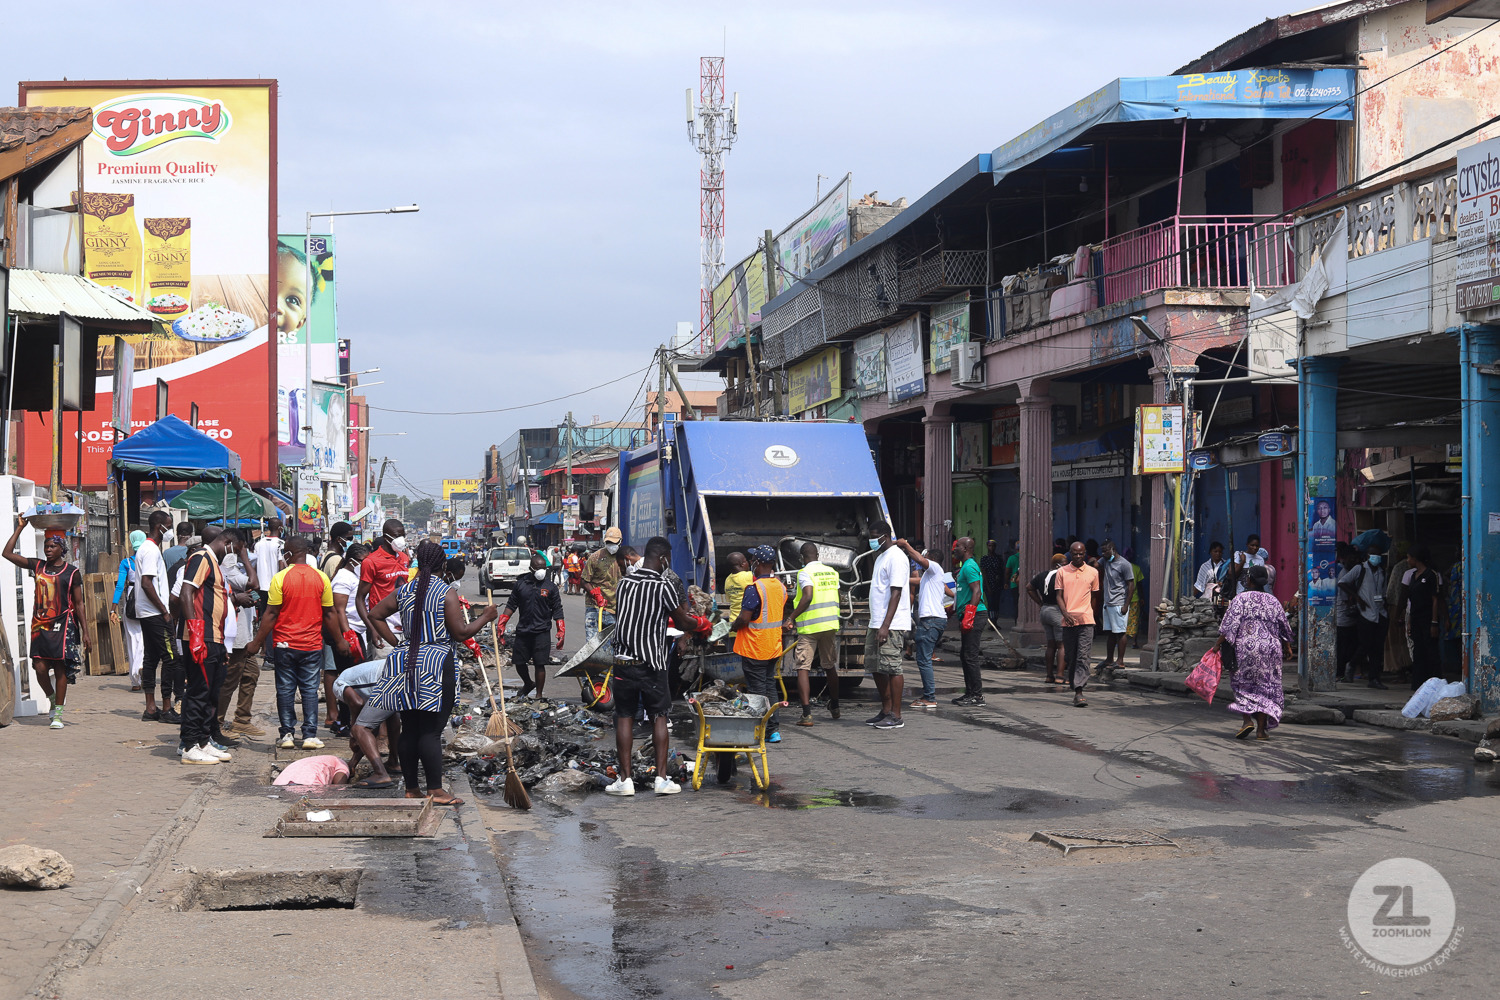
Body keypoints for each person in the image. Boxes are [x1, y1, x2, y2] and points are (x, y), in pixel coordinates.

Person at [366, 541, 497, 806]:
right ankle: (435, 790)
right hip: (437, 663)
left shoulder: (405, 590)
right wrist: (486, 616)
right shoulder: (445, 593)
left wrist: (398, 643)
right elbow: (461, 633)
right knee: (431, 730)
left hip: (405, 662)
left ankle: (412, 788)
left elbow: (375, 614)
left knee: (410, 727)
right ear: (444, 564)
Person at [604, 536, 711, 796]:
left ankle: (625, 780)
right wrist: (700, 624)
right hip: (652, 663)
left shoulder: (625, 583)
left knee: (625, 717)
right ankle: (661, 780)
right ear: (663, 558)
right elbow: (682, 621)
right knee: (659, 716)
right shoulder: (663, 586)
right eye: (668, 560)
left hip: (622, 662)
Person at [246, 534, 344, 750]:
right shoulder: (321, 578)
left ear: (289, 553)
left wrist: (256, 643)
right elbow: (329, 614)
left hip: (284, 644)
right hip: (311, 645)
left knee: (285, 689)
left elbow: (271, 613)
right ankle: (309, 735)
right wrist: (339, 641)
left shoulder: (280, 578)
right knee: (309, 690)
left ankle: (287, 734)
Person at [4, 517, 90, 730]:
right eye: (46, 546)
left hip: (63, 624)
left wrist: (86, 632)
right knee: (40, 668)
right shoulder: (38, 566)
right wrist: (20, 527)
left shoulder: (72, 573)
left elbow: (79, 604)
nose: (48, 550)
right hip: (40, 625)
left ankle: (58, 714)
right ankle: (51, 698)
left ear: (62, 549)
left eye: (52, 546)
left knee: (60, 668)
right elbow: (7, 554)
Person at [1213, 564, 1292, 741]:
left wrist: (1217, 645)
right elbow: (1284, 628)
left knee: (1243, 686)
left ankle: (1247, 721)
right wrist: (1287, 647)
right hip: (1270, 651)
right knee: (1264, 689)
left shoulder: (1241, 599)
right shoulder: (1273, 601)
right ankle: (1260, 731)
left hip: (1246, 650)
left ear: (1249, 580)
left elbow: (1228, 628)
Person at [175, 526, 232, 764]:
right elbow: (185, 591)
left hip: (215, 636)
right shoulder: (201, 557)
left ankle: (202, 740)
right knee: (199, 692)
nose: (234, 553)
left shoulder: (212, 562)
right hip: (203, 636)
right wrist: (195, 630)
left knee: (210, 693)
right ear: (227, 542)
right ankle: (189, 745)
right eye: (235, 549)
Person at [731, 545, 790, 743]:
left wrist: (731, 625)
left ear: (759, 563)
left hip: (755, 648)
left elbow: (744, 619)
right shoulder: (780, 587)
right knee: (770, 688)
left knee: (757, 692)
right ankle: (773, 730)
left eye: (753, 559)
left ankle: (762, 730)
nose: (752, 563)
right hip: (772, 646)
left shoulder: (754, 589)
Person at [787, 541, 844, 723]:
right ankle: (834, 706)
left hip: (810, 627)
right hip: (830, 625)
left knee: (803, 667)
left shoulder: (804, 573)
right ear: (817, 555)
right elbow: (838, 597)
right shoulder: (832, 572)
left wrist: (791, 618)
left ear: (802, 558)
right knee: (829, 666)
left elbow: (808, 596)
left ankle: (806, 714)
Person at [864, 521, 912, 730]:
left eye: (874, 536)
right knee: (875, 666)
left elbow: (896, 592)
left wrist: (886, 625)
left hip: (890, 623)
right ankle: (885, 709)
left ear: (885, 535)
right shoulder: (881, 557)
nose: (871, 540)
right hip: (877, 621)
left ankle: (896, 715)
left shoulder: (897, 557)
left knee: (893, 667)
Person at [217, 529, 265, 737]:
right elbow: (254, 583)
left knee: (251, 673)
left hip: (244, 633)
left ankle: (242, 718)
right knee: (230, 680)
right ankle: (217, 723)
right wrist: (244, 558)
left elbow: (253, 591)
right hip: (235, 634)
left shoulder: (232, 563)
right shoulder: (228, 563)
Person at [499, 553, 565, 700]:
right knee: (519, 662)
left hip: (542, 631)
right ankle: (528, 683)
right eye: (538, 568)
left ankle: (539, 695)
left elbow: (557, 609)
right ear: (531, 569)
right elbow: (511, 604)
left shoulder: (550, 587)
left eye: (543, 568)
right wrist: (502, 622)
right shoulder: (521, 584)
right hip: (523, 630)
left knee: (540, 664)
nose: (541, 571)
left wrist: (561, 629)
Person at [135, 511, 181, 722]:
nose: (170, 530)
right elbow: (147, 583)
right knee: (170, 658)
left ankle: (151, 707)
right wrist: (164, 611)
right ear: (160, 526)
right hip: (154, 613)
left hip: (146, 612)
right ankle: (166, 707)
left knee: (151, 659)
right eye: (168, 525)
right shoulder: (151, 550)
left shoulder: (146, 548)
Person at [333, 658, 402, 788]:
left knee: (360, 729)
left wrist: (353, 730)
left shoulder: (338, 685)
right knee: (392, 715)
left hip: (388, 679)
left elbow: (357, 703)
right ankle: (393, 761)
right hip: (398, 674)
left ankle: (380, 773)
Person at [898, 540, 948, 711]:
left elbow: (919, 559)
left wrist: (905, 546)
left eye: (926, 556)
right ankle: (928, 695)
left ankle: (930, 697)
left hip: (931, 621)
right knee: (923, 659)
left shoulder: (934, 567)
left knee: (924, 660)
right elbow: (915, 580)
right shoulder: (931, 575)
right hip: (934, 620)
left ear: (932, 558)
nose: (922, 559)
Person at [1056, 541, 1101, 708]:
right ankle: (1075, 683)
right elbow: (1059, 596)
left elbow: (1095, 596)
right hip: (1067, 621)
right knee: (1071, 656)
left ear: (1085, 554)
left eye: (1081, 554)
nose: (1078, 556)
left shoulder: (1093, 573)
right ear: (1070, 554)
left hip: (1086, 620)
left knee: (1083, 656)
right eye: (1075, 554)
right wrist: (1065, 613)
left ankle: (1079, 691)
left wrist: (1091, 614)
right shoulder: (1062, 572)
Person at [1338, 542, 1389, 689]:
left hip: (1380, 613)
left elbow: (1383, 592)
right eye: (1374, 555)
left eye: (1378, 556)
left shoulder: (1382, 572)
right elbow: (1342, 582)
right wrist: (1357, 597)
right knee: (1366, 644)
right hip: (1365, 613)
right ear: (1367, 556)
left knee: (1377, 648)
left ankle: (1374, 678)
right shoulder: (1360, 569)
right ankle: (1352, 664)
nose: (1376, 558)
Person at [356, 520, 409, 649]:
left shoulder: (404, 558)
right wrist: (373, 628)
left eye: (403, 535)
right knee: (383, 668)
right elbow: (360, 598)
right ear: (386, 537)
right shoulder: (371, 562)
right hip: (384, 629)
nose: (401, 539)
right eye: (397, 536)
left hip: (406, 629)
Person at [950, 536, 987, 706]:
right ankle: (969, 692)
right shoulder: (964, 567)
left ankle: (977, 696)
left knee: (970, 656)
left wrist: (969, 616)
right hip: (968, 614)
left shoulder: (970, 566)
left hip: (975, 615)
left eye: (957, 547)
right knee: (965, 656)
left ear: (965, 549)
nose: (954, 550)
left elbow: (977, 592)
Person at [1402, 546, 1442, 690]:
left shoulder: (1431, 575)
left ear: (1415, 558)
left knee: (1431, 651)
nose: (1407, 561)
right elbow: (1411, 600)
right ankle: (1418, 685)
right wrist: (1409, 622)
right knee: (1418, 652)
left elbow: (1435, 600)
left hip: (1428, 619)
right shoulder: (1413, 576)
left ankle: (1436, 684)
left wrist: (1434, 622)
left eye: (1409, 557)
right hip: (1416, 618)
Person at [111, 530, 147, 691]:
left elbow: (119, 586)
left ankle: (135, 680)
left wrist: (113, 608)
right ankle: (144, 667)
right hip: (148, 600)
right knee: (146, 640)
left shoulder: (126, 562)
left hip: (131, 601)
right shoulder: (150, 559)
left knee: (133, 639)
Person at [1026, 553, 1068, 684]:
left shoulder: (1042, 575)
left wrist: (1039, 602)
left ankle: (1049, 675)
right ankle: (1060, 676)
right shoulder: (1062, 575)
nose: (1067, 566)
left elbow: (1029, 587)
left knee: (1051, 644)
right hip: (1057, 611)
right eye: (1065, 563)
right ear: (1058, 565)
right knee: (1062, 645)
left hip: (1045, 611)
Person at [1097, 540, 1134, 669]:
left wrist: (1126, 605)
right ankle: (1108, 659)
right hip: (1107, 603)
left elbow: (1131, 585)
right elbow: (1096, 565)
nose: (1103, 553)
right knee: (1110, 633)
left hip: (1119, 603)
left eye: (1106, 551)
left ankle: (1120, 661)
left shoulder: (1124, 564)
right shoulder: (1105, 560)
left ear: (1112, 549)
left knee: (1120, 632)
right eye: (1102, 551)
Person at [583, 526, 623, 640]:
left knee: (612, 643)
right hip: (595, 607)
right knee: (593, 642)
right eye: (609, 542)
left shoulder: (624, 558)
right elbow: (584, 581)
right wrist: (595, 594)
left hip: (615, 608)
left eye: (614, 542)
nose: (611, 545)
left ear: (620, 541)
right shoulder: (595, 557)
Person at [1383, 542, 1414, 682]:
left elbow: (1393, 592)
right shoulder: (1413, 570)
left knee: (1397, 640)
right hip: (1408, 608)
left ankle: (1400, 668)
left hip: (1397, 607)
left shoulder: (1400, 568)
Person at [1333, 542, 1361, 683]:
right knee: (1343, 647)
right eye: (1351, 559)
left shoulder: (1349, 572)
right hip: (1343, 616)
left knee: (1348, 645)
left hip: (1347, 617)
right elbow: (1344, 599)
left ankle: (1344, 671)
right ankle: (1340, 672)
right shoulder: (1344, 573)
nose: (1354, 562)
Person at [253, 518, 285, 613]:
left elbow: (254, 564)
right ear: (280, 528)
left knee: (264, 613)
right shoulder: (281, 544)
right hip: (275, 587)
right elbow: (281, 565)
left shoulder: (258, 544)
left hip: (261, 586)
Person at [723, 551, 753, 623]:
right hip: (744, 619)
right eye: (746, 561)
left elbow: (729, 599)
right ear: (742, 564)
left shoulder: (728, 580)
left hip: (733, 620)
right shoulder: (748, 576)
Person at [1125, 548, 1146, 649]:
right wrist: (1142, 598)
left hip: (1122, 599)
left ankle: (1119, 640)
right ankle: (1134, 642)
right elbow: (1140, 584)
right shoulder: (1136, 568)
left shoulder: (1120, 567)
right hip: (1134, 598)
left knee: (1122, 620)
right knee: (1134, 620)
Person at [979, 540, 1004, 624]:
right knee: (991, 603)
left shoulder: (998, 558)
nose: (991, 548)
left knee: (996, 603)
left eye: (993, 546)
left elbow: (1001, 571)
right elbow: (984, 573)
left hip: (997, 584)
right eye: (990, 546)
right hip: (988, 584)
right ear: (987, 546)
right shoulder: (985, 559)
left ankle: (995, 621)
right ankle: (992, 622)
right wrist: (988, 586)